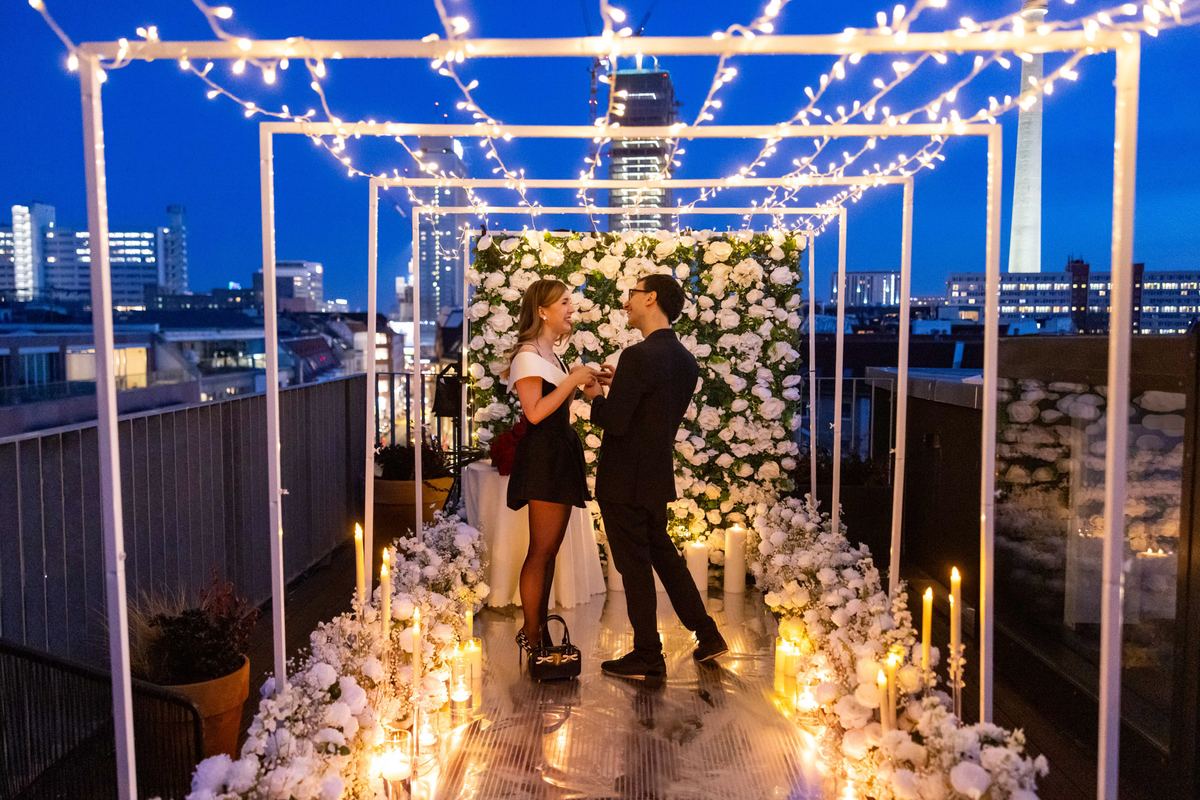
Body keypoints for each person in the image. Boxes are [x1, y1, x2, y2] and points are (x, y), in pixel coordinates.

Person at [583, 274, 729, 680]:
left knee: (634, 566)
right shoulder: (685, 360)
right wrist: (621, 383)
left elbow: (616, 421)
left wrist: (595, 395)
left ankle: (648, 654)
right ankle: (708, 634)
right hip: (654, 474)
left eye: (632, 294)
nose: (625, 302)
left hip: (623, 478)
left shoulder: (638, 356)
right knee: (664, 556)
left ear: (651, 298)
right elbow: (651, 408)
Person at [504, 278, 601, 670]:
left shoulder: (550, 355)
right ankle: (532, 635)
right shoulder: (527, 355)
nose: (570, 309)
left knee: (549, 551)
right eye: (563, 302)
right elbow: (535, 413)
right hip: (544, 456)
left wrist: (582, 380)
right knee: (541, 551)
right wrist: (573, 380)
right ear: (542, 311)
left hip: (557, 453)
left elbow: (558, 401)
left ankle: (538, 630)